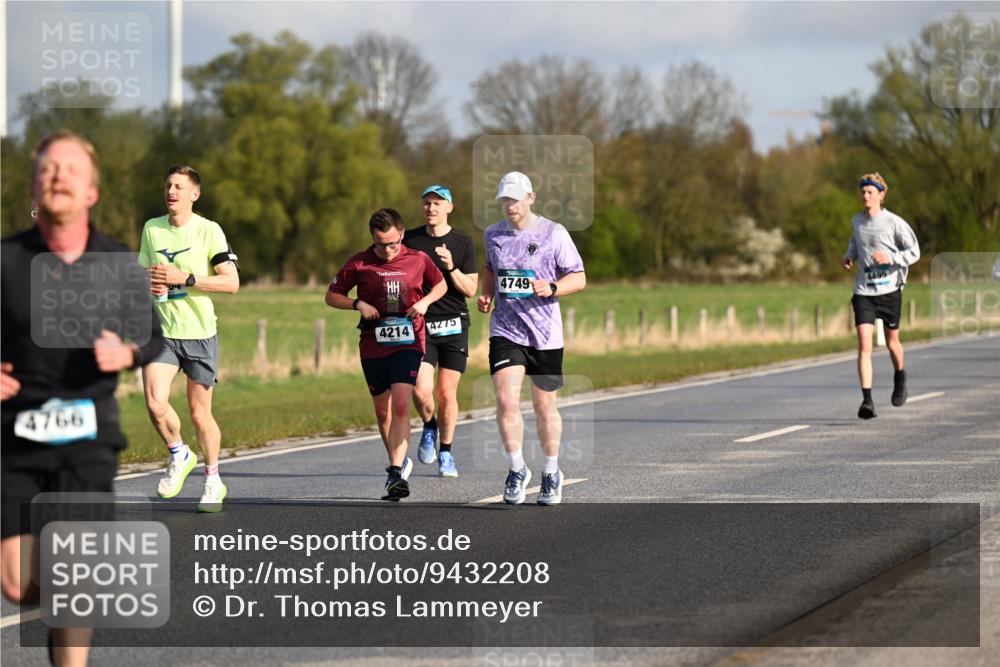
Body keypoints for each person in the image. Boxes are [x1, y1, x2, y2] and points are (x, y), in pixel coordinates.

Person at [1, 130, 164, 667]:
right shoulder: (6, 261)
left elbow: (152, 336)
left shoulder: (117, 263)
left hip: (87, 438)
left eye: (70, 169)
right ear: (33, 187)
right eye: (48, 168)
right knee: (19, 584)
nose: (58, 176)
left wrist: (127, 352)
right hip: (13, 439)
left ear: (91, 191)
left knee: (74, 578)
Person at [477, 172, 586, 506]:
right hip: (506, 330)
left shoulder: (554, 233)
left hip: (545, 333)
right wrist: (486, 294)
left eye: (515, 199)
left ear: (531, 198)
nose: (510, 205)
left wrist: (552, 287)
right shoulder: (493, 234)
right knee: (506, 400)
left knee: (544, 406)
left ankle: (551, 471)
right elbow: (490, 268)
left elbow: (578, 277)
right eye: (505, 200)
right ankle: (516, 468)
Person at [138, 166, 240, 512]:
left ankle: (213, 479)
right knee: (155, 402)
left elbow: (231, 283)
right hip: (162, 332)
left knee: (200, 414)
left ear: (194, 194)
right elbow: (143, 275)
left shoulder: (209, 230)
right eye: (168, 185)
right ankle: (179, 453)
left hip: (199, 333)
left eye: (179, 187)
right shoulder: (152, 228)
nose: (171, 191)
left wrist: (186, 278)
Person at [327, 208, 447, 500]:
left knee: (402, 405)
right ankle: (399, 462)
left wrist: (425, 303)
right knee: (383, 412)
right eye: (381, 244)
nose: (388, 250)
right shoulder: (360, 262)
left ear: (402, 235)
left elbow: (441, 284)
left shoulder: (418, 259)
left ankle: (394, 472)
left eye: (393, 243)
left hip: (409, 340)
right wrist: (357, 304)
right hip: (373, 343)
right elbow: (331, 296)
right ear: (373, 238)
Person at [402, 185, 478, 476]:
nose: (431, 208)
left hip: (454, 323)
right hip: (421, 323)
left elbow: (470, 289)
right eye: (427, 203)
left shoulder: (463, 242)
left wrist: (451, 267)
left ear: (449, 207)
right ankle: (430, 425)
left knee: (446, 393)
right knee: (420, 391)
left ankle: (446, 452)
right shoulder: (410, 240)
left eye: (437, 203)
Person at [842, 172, 920, 419]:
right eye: (863, 192)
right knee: (864, 345)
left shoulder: (894, 222)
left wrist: (891, 258)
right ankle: (867, 401)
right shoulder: (857, 221)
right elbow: (856, 242)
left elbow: (914, 251)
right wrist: (849, 255)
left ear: (881, 194)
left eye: (870, 192)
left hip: (889, 291)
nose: (865, 196)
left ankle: (900, 376)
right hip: (864, 291)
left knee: (891, 342)